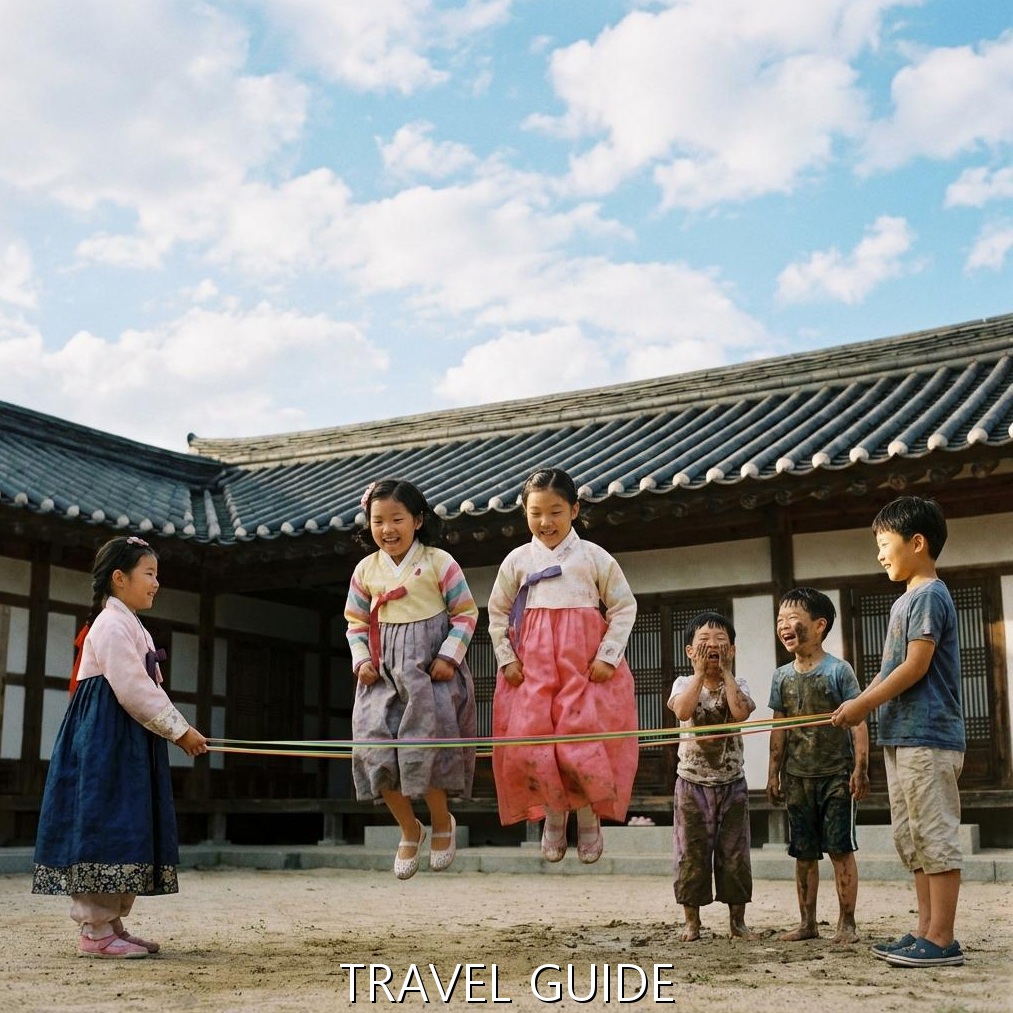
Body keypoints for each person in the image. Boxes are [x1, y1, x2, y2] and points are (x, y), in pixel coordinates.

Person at [32, 536, 209, 958]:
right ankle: (94, 931)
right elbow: (132, 687)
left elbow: (144, 688)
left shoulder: (131, 623)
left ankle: (110, 922)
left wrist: (174, 727)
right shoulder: (110, 624)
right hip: (105, 738)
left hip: (126, 735)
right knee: (105, 816)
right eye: (148, 574)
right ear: (119, 577)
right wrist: (179, 730)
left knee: (126, 817)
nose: (155, 583)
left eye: (156, 575)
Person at [832, 497, 966, 967]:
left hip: (929, 736)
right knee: (913, 839)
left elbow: (915, 665)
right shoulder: (908, 598)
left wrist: (863, 704)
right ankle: (924, 929)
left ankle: (943, 938)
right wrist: (858, 707)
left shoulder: (929, 594)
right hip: (903, 736)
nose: (880, 554)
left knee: (935, 836)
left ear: (918, 542)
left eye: (885, 544)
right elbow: (890, 670)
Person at [488, 467, 638, 864]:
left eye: (555, 511)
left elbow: (624, 606)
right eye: (536, 512)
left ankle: (588, 820)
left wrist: (608, 656)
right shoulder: (517, 560)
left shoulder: (593, 557)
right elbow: (498, 613)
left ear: (574, 509)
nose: (545, 522)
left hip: (583, 665)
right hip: (532, 669)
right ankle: (553, 819)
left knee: (581, 744)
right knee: (534, 744)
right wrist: (508, 658)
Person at [345, 479, 478, 880]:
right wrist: (362, 660)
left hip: (430, 672)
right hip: (381, 673)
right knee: (373, 749)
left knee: (426, 748)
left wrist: (448, 658)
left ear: (417, 520)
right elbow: (354, 622)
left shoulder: (440, 562)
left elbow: (466, 613)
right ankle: (408, 828)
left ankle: (441, 822)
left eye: (397, 519)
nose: (387, 529)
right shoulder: (365, 570)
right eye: (378, 520)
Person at [767, 587, 869, 944]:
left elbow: (858, 720)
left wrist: (860, 767)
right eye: (780, 620)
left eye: (793, 619)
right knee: (804, 853)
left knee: (841, 849)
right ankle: (807, 923)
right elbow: (779, 729)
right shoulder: (781, 676)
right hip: (797, 777)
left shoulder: (839, 671)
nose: (784, 626)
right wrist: (773, 773)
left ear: (820, 625)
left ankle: (847, 923)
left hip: (836, 776)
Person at [668, 611, 758, 941]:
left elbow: (739, 712)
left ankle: (737, 922)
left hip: (732, 781)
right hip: (691, 782)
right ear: (690, 652)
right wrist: (698, 674)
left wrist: (726, 674)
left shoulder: (740, 683)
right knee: (690, 854)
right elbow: (683, 711)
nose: (712, 647)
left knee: (735, 854)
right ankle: (692, 923)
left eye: (720, 642)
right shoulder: (682, 684)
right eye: (703, 642)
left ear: (731, 650)